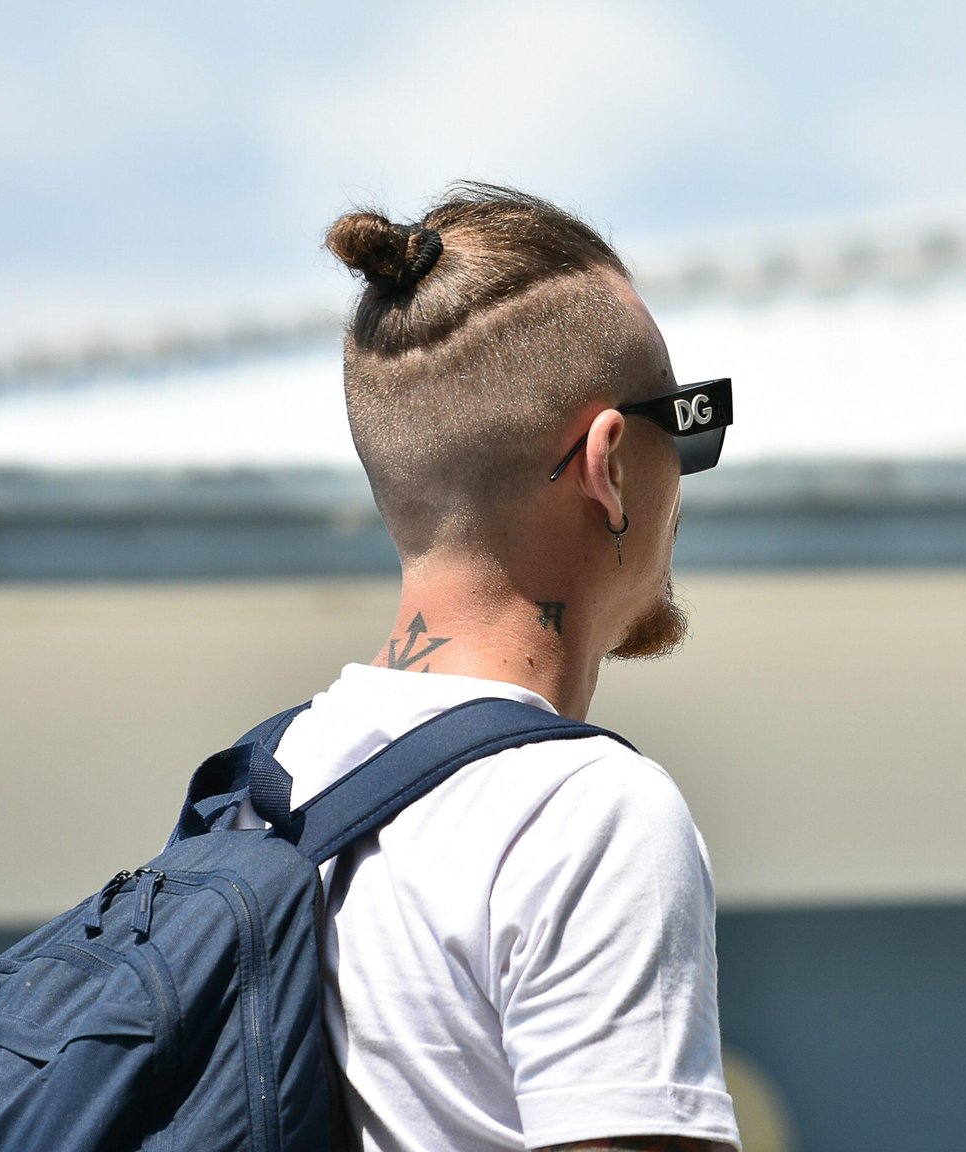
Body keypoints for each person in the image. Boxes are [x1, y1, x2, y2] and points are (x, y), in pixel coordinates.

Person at [241, 183, 739, 1152]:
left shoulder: (260, 790)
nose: (688, 473)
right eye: (685, 424)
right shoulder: (584, 816)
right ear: (609, 465)